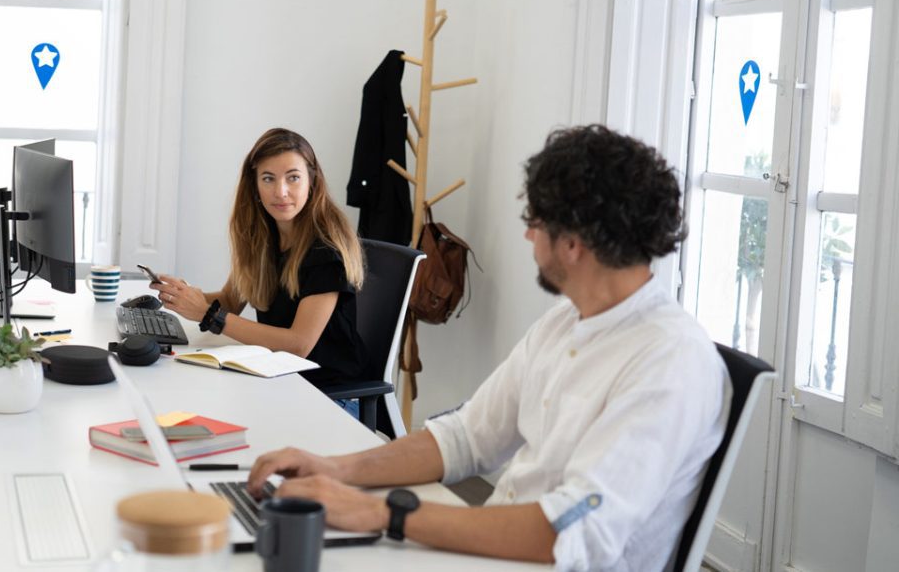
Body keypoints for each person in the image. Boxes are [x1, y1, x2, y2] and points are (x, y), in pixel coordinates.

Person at [247, 124, 729, 569]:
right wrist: (334, 468)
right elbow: (468, 437)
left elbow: (565, 533)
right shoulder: (564, 323)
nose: (527, 233)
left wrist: (381, 513)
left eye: (535, 220)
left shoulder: (671, 360)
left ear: (574, 242)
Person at [151, 128, 367, 401]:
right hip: (280, 381)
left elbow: (298, 345)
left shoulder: (326, 250)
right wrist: (185, 297)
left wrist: (209, 315)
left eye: (293, 178)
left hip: (329, 396)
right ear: (254, 185)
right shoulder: (262, 237)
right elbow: (231, 299)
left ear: (312, 182)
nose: (281, 191)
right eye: (268, 178)